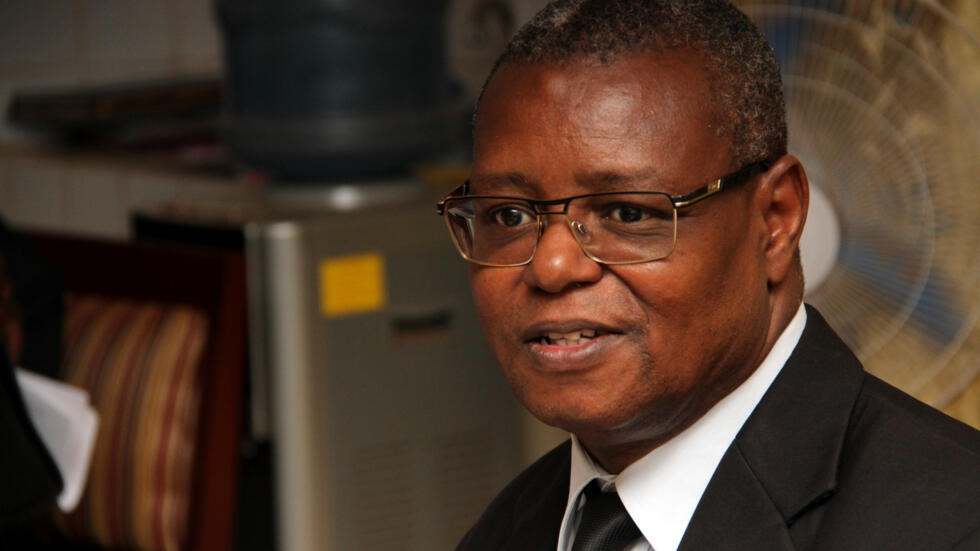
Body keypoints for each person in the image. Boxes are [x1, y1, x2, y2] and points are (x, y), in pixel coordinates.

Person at [437, 1, 980, 549]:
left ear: (775, 221)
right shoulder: (502, 534)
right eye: (508, 217)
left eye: (627, 213)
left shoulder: (955, 522)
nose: (551, 267)